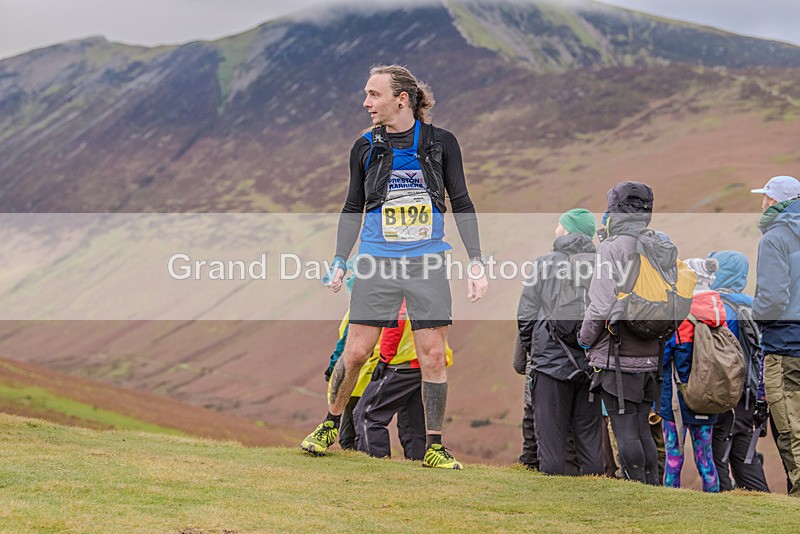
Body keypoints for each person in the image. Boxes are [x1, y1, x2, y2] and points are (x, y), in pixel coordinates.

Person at [301, 65, 488, 470]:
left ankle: (435, 447)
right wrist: (339, 259)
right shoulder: (365, 146)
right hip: (376, 262)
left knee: (432, 355)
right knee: (355, 353)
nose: (366, 103)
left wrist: (477, 261)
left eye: (373, 94)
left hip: (426, 263)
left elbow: (463, 202)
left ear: (402, 99)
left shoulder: (442, 143)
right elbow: (352, 206)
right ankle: (329, 425)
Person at [578, 182, 662, 485]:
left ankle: (636, 490)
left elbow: (599, 306)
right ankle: (653, 489)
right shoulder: (657, 245)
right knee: (642, 428)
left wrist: (584, 339)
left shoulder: (612, 248)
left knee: (625, 429)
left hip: (617, 354)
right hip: (651, 352)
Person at [517, 209, 604, 475]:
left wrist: (535, 349)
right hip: (592, 364)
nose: (556, 228)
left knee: (551, 439)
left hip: (549, 363)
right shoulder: (604, 265)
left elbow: (525, 315)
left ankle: (552, 496)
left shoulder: (544, 263)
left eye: (560, 225)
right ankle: (596, 492)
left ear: (566, 231)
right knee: (590, 439)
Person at [354, 300, 453, 460]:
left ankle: (373, 467)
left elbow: (397, 321)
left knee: (367, 415)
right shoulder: (428, 291)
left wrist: (384, 358)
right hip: (424, 367)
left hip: (401, 363)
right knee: (414, 425)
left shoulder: (401, 290)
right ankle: (420, 470)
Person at [751, 175, 800, 495]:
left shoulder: (775, 238)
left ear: (775, 201)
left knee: (790, 428)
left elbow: (772, 299)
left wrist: (755, 317)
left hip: (784, 347)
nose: (762, 202)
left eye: (766, 197)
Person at [708, 250, 770, 492]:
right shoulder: (754, 307)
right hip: (750, 393)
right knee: (744, 451)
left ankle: (721, 498)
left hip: (722, 391)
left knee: (718, 451)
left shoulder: (716, 309)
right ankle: (762, 498)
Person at [660, 258, 722, 492]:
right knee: (705, 457)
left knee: (673, 457)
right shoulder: (718, 315)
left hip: (676, 399)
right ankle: (713, 500)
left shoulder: (680, 316)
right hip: (708, 398)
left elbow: (663, 357)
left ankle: (670, 500)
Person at [513, 334, 539, 470]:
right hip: (571, 379)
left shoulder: (528, 315)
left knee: (531, 428)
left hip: (534, 381)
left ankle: (530, 463)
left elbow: (518, 364)